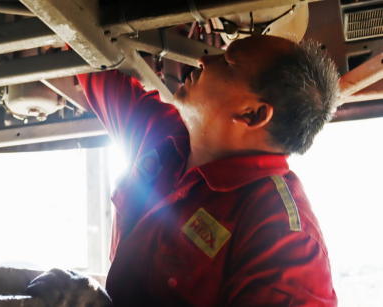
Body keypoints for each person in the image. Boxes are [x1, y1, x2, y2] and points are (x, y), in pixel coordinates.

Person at [29, 35, 339, 306]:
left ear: (252, 114)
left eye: (229, 63)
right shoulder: (162, 134)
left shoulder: (286, 238)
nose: (204, 58)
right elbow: (91, 58)